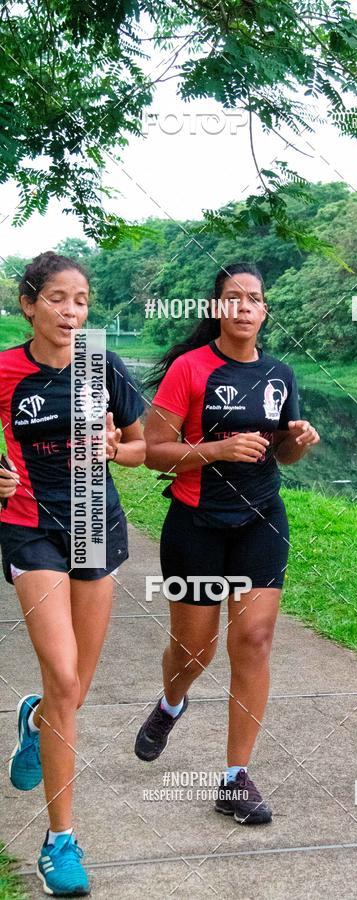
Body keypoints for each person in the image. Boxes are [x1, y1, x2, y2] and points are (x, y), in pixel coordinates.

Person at [135, 262, 319, 825]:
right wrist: (215, 451)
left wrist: (298, 442)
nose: (244, 307)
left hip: (261, 519)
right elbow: (152, 451)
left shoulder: (280, 374)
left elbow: (280, 453)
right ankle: (171, 703)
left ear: (265, 311)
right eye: (233, 298)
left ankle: (234, 779)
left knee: (255, 640)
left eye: (255, 299)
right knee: (195, 652)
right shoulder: (190, 370)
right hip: (196, 522)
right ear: (217, 308)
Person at [0, 251, 145, 895]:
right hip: (29, 524)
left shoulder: (102, 363)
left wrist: (120, 447)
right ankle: (60, 841)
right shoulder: (5, 369)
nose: (71, 311)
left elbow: (144, 448)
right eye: (57, 298)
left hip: (96, 520)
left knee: (72, 693)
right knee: (63, 676)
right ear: (29, 305)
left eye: (81, 300)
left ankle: (35, 721)